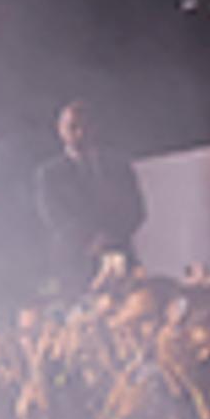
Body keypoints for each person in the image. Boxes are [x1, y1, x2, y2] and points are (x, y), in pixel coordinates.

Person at [31, 100, 145, 294]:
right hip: (74, 264)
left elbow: (136, 209)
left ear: (96, 127)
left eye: (86, 126)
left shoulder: (119, 166)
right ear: (60, 130)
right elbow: (55, 216)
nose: (80, 133)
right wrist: (91, 239)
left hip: (120, 257)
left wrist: (112, 236)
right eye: (73, 127)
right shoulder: (49, 174)